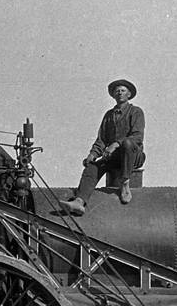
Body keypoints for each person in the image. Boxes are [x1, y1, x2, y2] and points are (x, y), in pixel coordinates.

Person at [60, 79, 145, 215]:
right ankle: (79, 202)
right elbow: (101, 140)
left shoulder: (136, 112)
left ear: (129, 94)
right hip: (114, 157)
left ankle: (124, 183)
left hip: (132, 156)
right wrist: (92, 155)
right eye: (116, 91)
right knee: (93, 166)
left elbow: (137, 137)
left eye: (123, 90)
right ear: (113, 95)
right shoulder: (109, 115)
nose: (119, 93)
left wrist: (116, 144)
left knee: (128, 144)